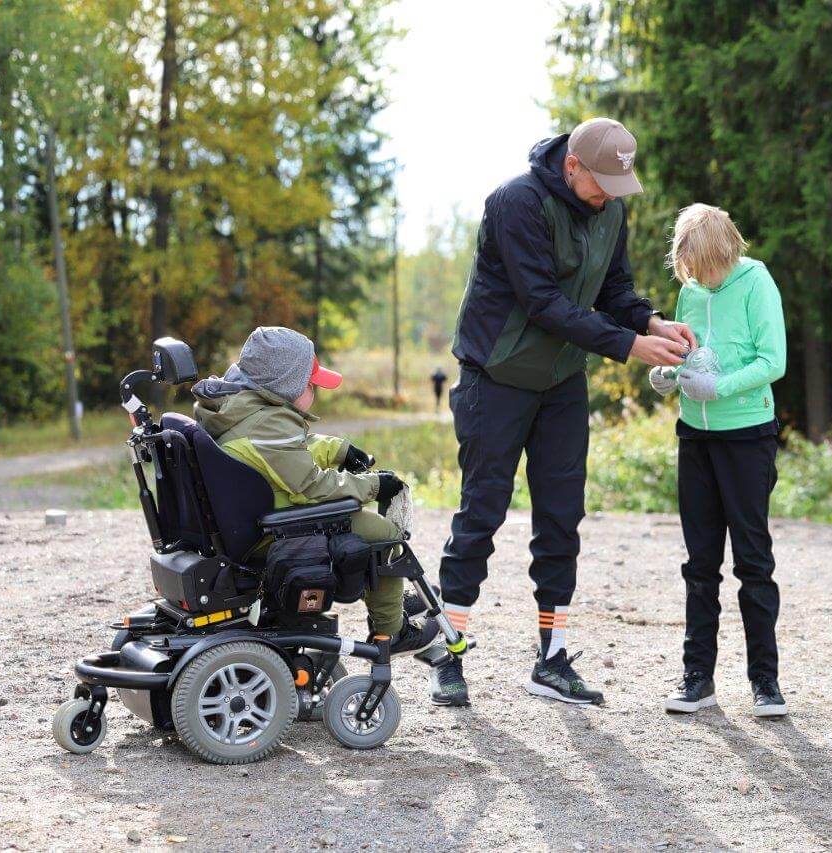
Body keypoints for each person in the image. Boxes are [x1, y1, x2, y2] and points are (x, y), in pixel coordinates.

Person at [434, 117, 696, 707]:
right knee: (483, 511)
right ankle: (447, 655)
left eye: (617, 187)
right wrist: (631, 346)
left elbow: (615, 291)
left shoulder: (609, 208)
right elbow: (543, 302)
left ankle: (551, 661)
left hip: (560, 383)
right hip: (495, 378)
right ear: (572, 165)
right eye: (601, 183)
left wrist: (650, 322)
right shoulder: (515, 202)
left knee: (561, 518)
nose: (609, 197)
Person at [191, 326, 441, 656]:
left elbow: (290, 451)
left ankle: (387, 598)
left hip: (252, 516)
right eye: (310, 384)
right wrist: (374, 486)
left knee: (367, 529)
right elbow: (312, 485)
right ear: (287, 386)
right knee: (383, 532)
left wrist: (340, 450)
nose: (315, 390)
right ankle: (391, 631)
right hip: (272, 529)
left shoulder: (240, 408)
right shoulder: (270, 423)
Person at [648, 204, 788, 718]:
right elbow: (690, 354)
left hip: (748, 438)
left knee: (753, 561)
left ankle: (765, 683)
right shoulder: (690, 290)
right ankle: (697, 678)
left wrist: (720, 387)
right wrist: (669, 375)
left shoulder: (756, 282)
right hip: (696, 438)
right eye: (690, 270)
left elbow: (773, 361)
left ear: (722, 251)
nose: (698, 279)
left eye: (704, 266)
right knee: (700, 564)